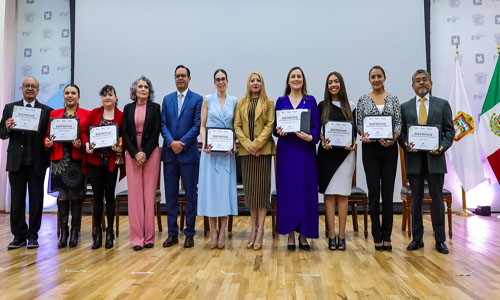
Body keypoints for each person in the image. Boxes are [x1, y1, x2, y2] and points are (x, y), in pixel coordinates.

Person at [399, 69, 454, 254]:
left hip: (435, 159)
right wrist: (406, 144)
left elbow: (449, 132)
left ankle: (440, 240)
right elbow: (402, 134)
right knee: (416, 200)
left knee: (437, 200)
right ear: (413, 86)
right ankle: (417, 239)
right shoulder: (405, 107)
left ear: (431, 83)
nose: (421, 83)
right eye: (417, 81)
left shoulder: (442, 105)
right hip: (414, 159)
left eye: (425, 80)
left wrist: (442, 147)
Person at [0, 77, 53, 249]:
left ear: (38, 90)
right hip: (17, 162)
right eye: (27, 86)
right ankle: (19, 236)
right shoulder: (10, 108)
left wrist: (48, 143)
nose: (30, 89)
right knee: (17, 201)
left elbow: (49, 136)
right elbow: (1, 133)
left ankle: (33, 236)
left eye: (33, 86)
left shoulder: (47, 111)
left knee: (36, 201)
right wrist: (7, 126)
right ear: (22, 89)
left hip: (37, 162)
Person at [274, 66, 320, 251]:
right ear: (288, 81)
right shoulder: (281, 101)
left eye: (299, 76)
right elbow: (275, 128)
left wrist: (310, 137)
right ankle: (290, 235)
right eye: (292, 76)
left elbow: (316, 129)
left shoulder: (310, 101)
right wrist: (278, 130)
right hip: (286, 153)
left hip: (305, 153)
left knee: (306, 193)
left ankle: (304, 236)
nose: (295, 79)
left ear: (303, 80)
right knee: (288, 193)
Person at [356, 65, 401, 251]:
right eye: (373, 77)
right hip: (371, 150)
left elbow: (398, 123)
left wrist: (394, 139)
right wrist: (363, 134)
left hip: (390, 150)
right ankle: (377, 235)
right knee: (374, 193)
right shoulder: (363, 100)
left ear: (384, 78)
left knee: (388, 194)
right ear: (369, 80)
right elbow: (360, 123)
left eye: (379, 76)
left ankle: (387, 235)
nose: (376, 79)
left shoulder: (393, 99)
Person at [161, 65, 203, 249]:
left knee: (191, 195)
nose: (180, 78)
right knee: (170, 196)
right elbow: (163, 124)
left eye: (183, 76)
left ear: (189, 78)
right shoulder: (167, 99)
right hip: (170, 155)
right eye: (177, 76)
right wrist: (172, 143)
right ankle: (172, 234)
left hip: (188, 154)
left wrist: (182, 143)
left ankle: (189, 233)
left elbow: (197, 125)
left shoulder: (197, 99)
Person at [45, 83, 90, 248]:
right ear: (63, 96)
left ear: (78, 96)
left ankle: (74, 233)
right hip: (59, 161)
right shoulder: (54, 114)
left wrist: (81, 143)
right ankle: (63, 232)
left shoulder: (86, 114)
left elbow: (88, 136)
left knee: (77, 198)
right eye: (67, 93)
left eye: (73, 93)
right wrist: (47, 142)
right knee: (62, 198)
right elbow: (47, 136)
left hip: (77, 161)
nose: (70, 95)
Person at [234, 71, 276, 250]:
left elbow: (270, 125)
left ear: (262, 83)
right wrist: (247, 144)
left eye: (258, 80)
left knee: (262, 192)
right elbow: (236, 125)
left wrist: (256, 144)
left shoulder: (269, 103)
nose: (255, 83)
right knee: (250, 194)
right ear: (248, 83)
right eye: (252, 80)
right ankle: (253, 228)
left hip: (262, 152)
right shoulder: (241, 103)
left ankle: (260, 232)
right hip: (246, 153)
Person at [198, 69, 238, 249]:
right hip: (210, 153)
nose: (220, 82)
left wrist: (234, 144)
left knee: (224, 193)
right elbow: (203, 126)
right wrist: (204, 143)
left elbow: (235, 127)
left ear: (227, 82)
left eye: (223, 79)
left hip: (226, 155)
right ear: (214, 83)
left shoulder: (234, 101)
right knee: (211, 193)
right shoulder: (207, 99)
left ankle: (223, 230)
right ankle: (212, 230)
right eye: (217, 79)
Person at [81, 85, 125, 249]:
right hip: (95, 162)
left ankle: (110, 233)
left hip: (111, 163)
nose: (107, 98)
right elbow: (84, 131)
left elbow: (124, 136)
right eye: (104, 95)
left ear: (115, 98)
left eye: (110, 95)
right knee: (98, 199)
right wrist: (86, 144)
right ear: (101, 98)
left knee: (110, 197)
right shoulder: (94, 113)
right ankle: (97, 233)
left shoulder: (121, 115)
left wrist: (120, 146)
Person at [317, 71, 356, 251]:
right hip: (326, 156)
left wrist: (353, 143)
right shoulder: (321, 106)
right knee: (329, 196)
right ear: (327, 86)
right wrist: (322, 140)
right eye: (330, 82)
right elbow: (317, 131)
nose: (333, 85)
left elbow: (355, 132)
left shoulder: (351, 106)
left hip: (346, 157)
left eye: (336, 81)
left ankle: (342, 236)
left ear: (341, 84)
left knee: (343, 196)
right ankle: (331, 235)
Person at [122, 75, 161, 251]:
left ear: (149, 91)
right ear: (134, 90)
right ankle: (137, 238)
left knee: (148, 196)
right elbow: (124, 132)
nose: (143, 89)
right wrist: (135, 153)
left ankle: (149, 237)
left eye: (146, 87)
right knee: (135, 197)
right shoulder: (127, 108)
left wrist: (144, 152)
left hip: (151, 153)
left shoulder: (155, 108)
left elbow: (155, 132)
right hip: (132, 155)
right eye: (140, 87)